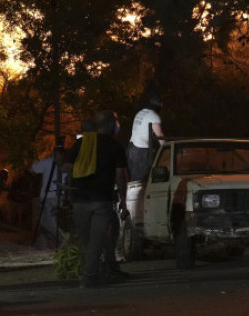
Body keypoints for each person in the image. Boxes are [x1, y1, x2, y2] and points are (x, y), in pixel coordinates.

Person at [64, 111, 129, 287]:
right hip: (101, 200)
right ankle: (89, 276)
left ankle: (104, 270)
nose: (118, 126)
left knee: (88, 241)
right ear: (110, 125)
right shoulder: (115, 147)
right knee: (97, 240)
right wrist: (124, 200)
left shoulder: (81, 144)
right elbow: (120, 176)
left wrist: (70, 192)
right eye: (117, 123)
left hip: (80, 199)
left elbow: (67, 169)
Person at [29, 150, 67, 248]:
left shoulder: (47, 161)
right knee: (49, 220)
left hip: (49, 196)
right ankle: (41, 244)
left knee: (45, 220)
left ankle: (63, 237)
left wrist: (34, 162)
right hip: (60, 196)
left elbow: (32, 170)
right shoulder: (65, 163)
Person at [127, 95, 163, 183]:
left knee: (133, 180)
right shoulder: (153, 116)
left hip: (131, 148)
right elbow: (160, 136)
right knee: (139, 181)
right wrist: (167, 149)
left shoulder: (141, 112)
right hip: (140, 151)